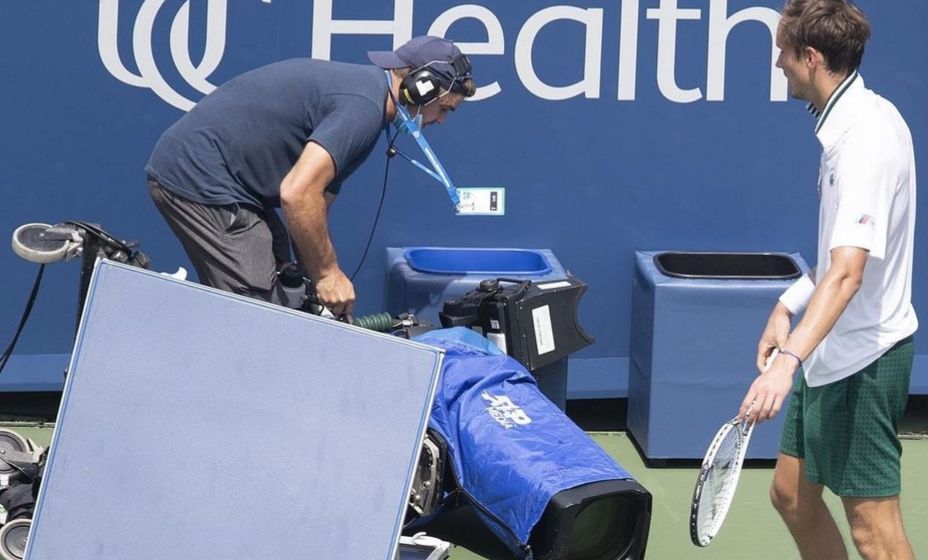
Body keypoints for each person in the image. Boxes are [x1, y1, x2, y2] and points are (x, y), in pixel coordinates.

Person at [738, 1, 917, 558]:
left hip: (864, 361)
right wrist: (786, 304)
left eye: (784, 55)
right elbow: (838, 254)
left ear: (811, 57)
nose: (778, 66)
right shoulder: (849, 121)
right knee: (792, 496)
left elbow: (848, 273)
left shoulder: (865, 141)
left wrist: (787, 361)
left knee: (874, 534)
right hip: (829, 348)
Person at [146, 36, 476, 316]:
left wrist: (320, 289)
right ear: (420, 88)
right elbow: (298, 194)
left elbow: (315, 207)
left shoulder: (366, 103)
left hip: (231, 185)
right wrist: (328, 275)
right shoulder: (362, 109)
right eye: (444, 108)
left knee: (288, 285)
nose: (442, 121)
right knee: (258, 312)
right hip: (197, 176)